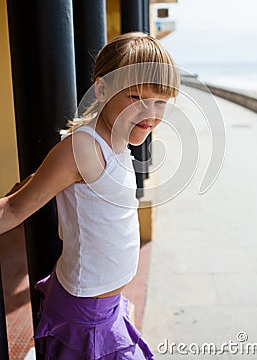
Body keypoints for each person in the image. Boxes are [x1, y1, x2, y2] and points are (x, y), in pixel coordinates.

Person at [0, 32, 179, 359]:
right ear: (102, 89)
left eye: (160, 102)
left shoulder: (116, 138)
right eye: (136, 97)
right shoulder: (83, 147)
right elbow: (12, 210)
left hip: (104, 306)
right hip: (87, 316)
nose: (150, 113)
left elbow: (51, 181)